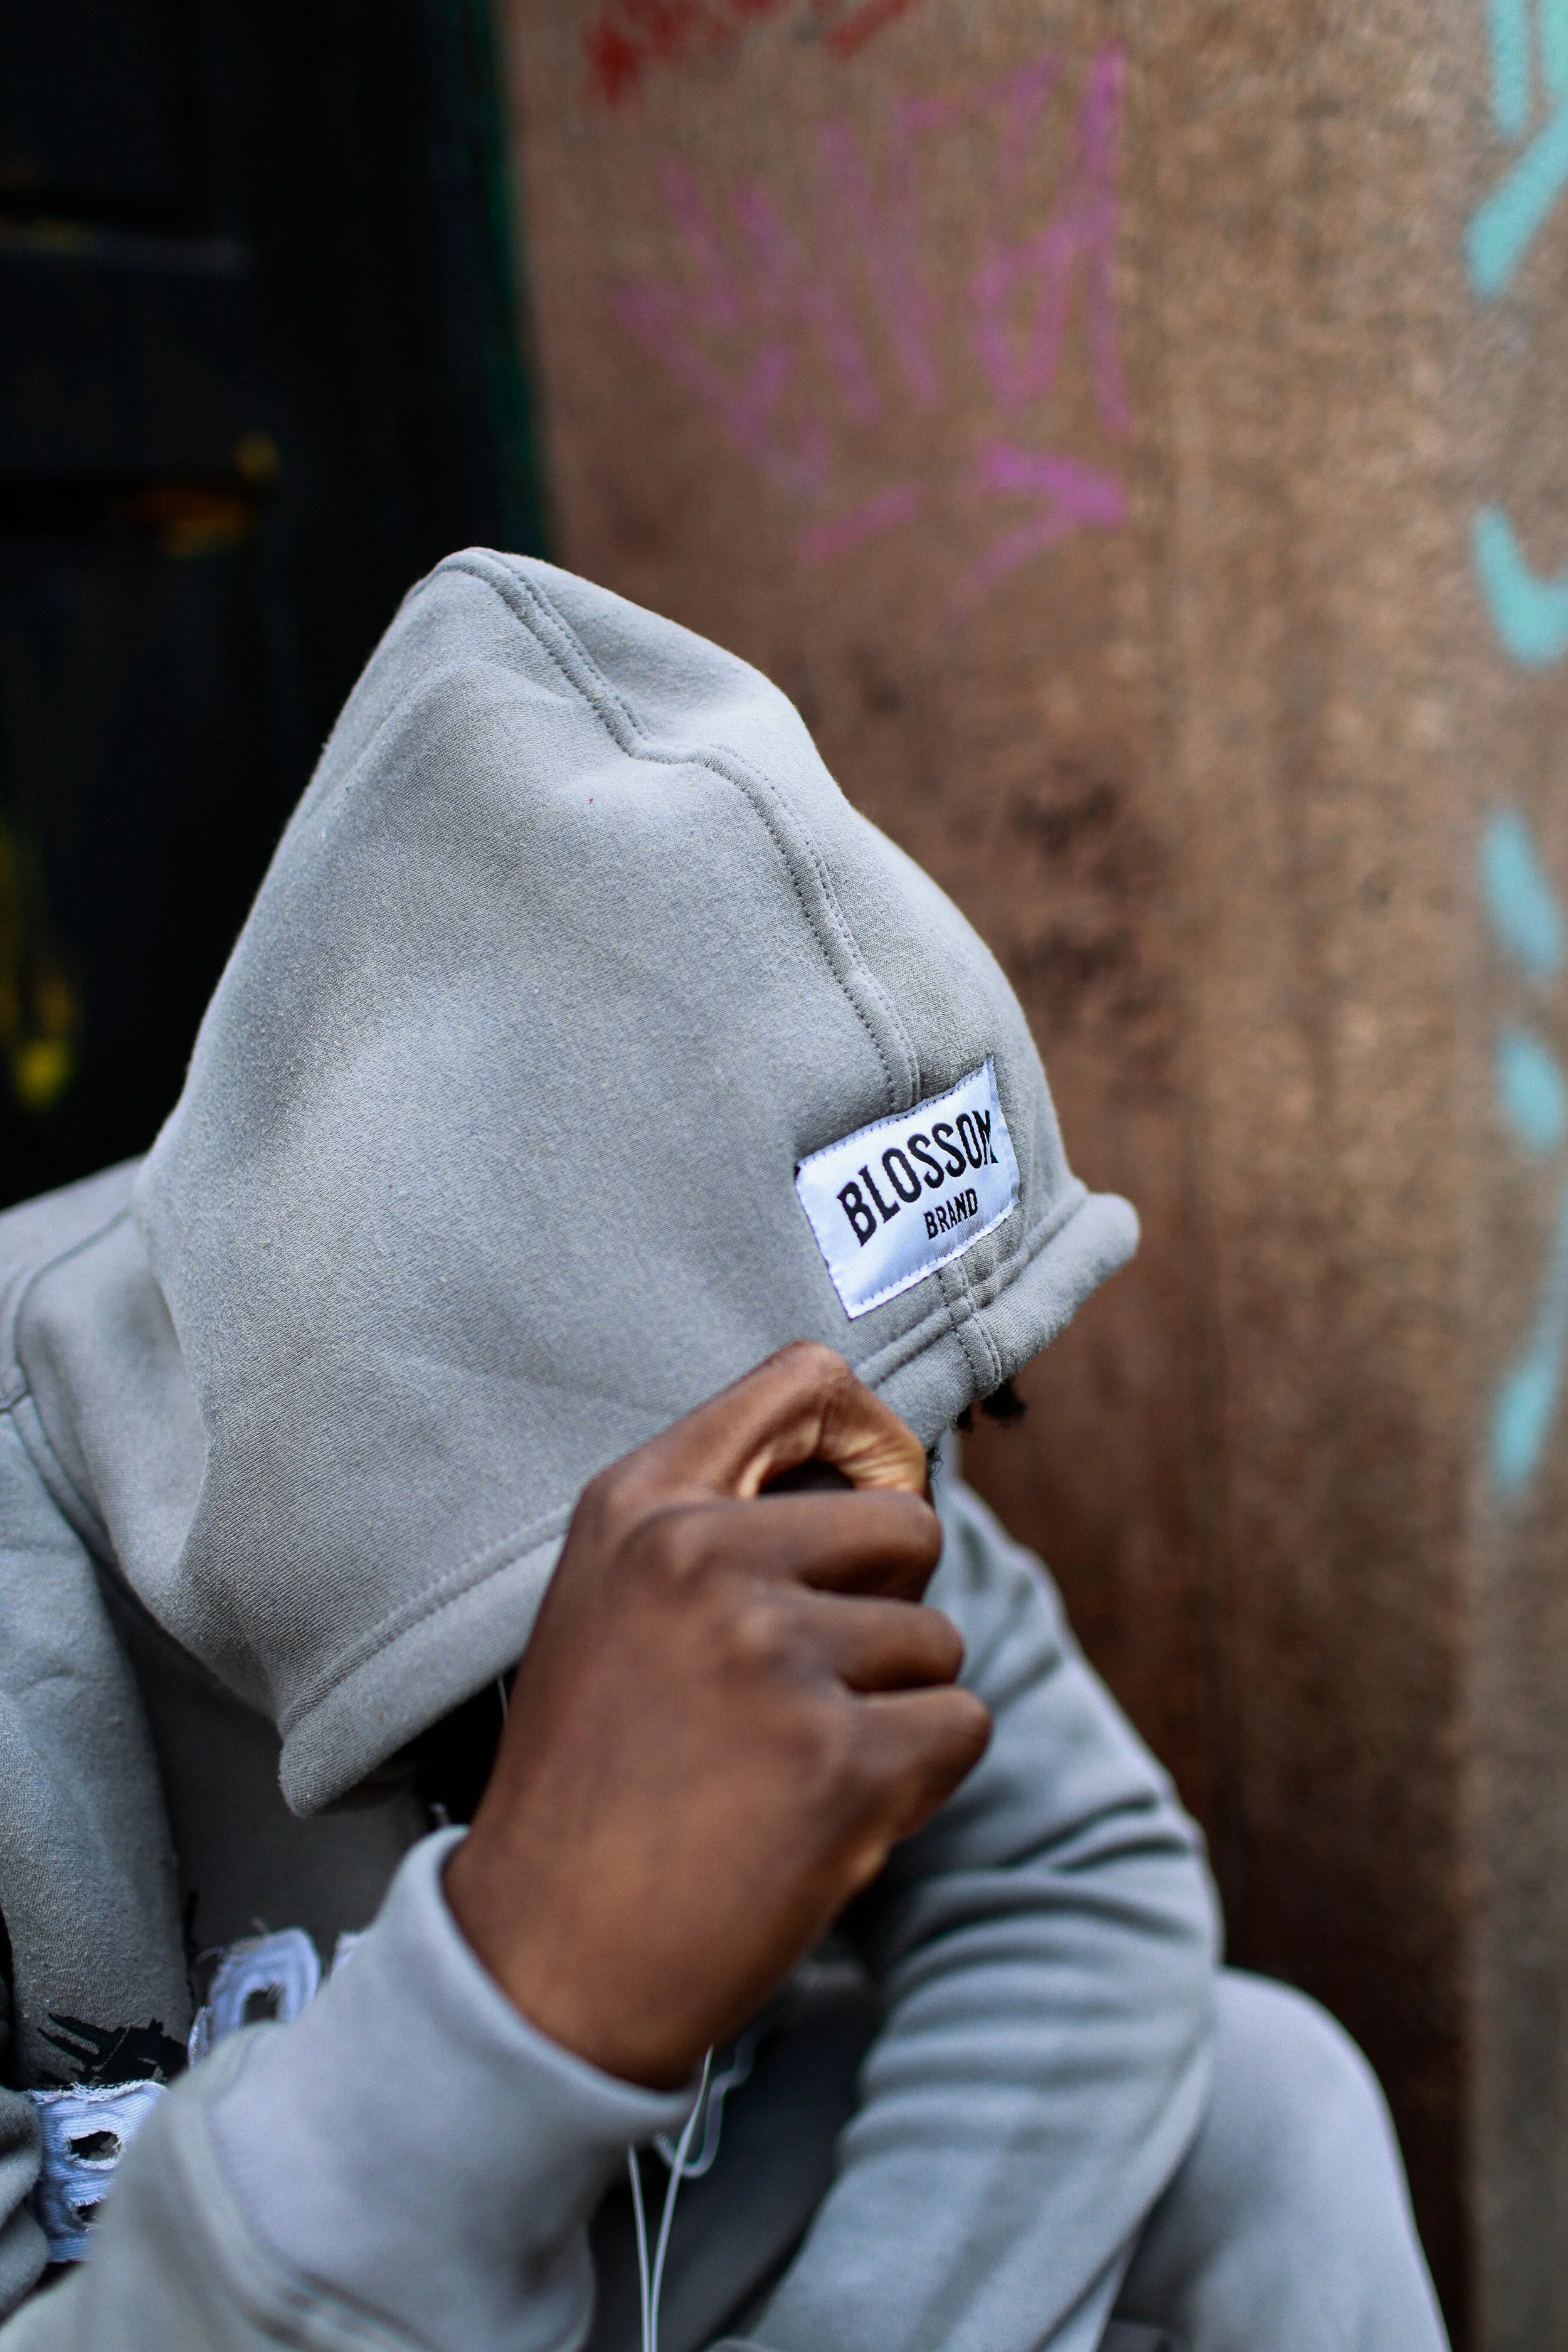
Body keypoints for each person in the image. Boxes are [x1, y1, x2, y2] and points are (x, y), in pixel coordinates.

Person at [0, 552, 1446, 2352]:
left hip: (680, 2249)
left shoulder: (817, 1414)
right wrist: (516, 2002)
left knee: (1268, 2095)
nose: (896, 1513)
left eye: (934, 1424)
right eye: (772, 1493)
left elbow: (1063, 1870)